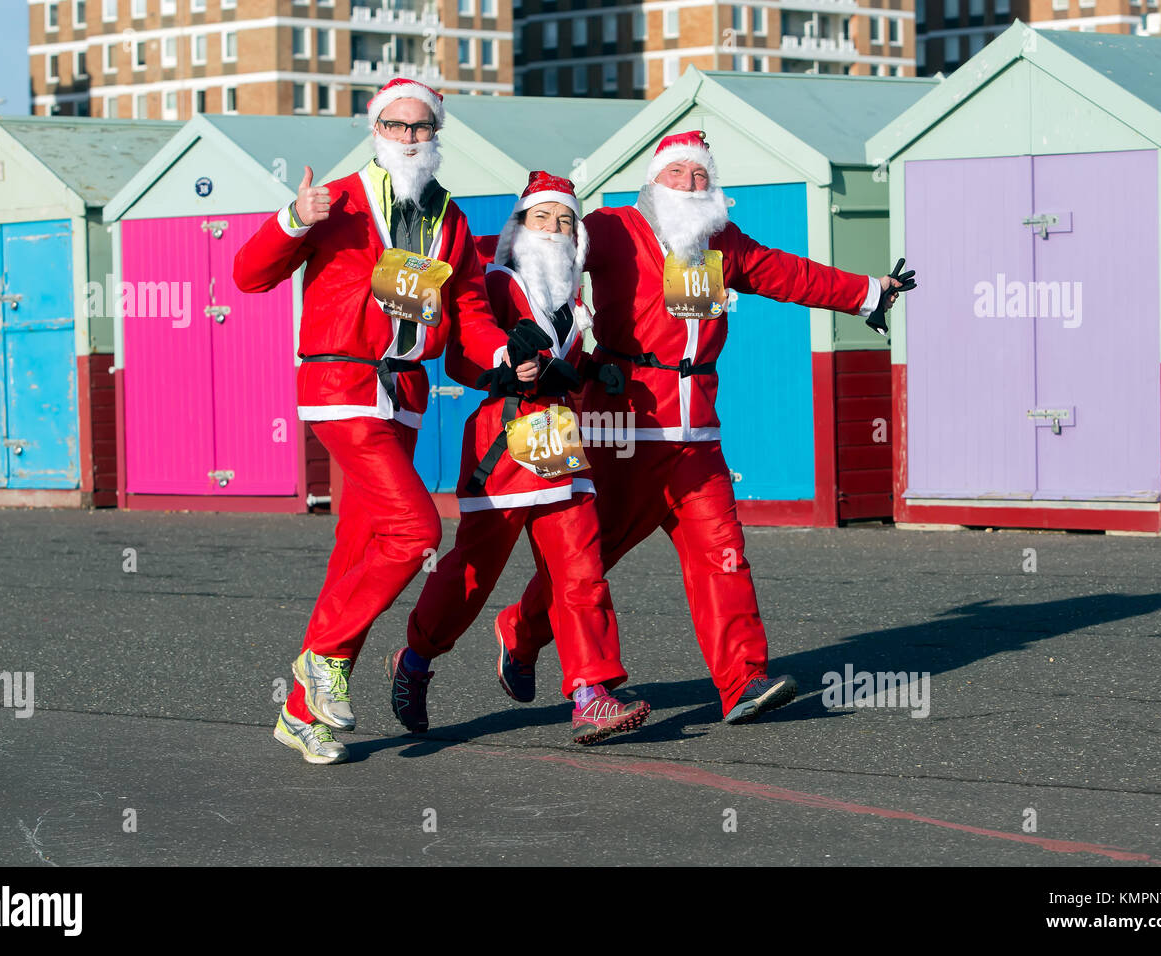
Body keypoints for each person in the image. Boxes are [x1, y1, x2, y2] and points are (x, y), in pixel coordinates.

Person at [496, 131, 913, 725]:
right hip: (623, 426)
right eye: (678, 174)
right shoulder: (613, 228)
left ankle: (743, 681)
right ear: (653, 180)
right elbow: (542, 255)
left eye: (700, 176)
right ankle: (521, 628)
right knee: (590, 557)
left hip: (696, 434)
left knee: (723, 555)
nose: (691, 185)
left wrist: (868, 292)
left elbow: (784, 272)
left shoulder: (721, 242)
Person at [233, 77, 533, 764]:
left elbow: (471, 322)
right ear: (376, 131)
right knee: (415, 529)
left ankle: (303, 710)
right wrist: (292, 219)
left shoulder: (448, 219)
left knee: (359, 556)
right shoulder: (336, 199)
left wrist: (503, 356)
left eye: (421, 127)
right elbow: (248, 276)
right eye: (397, 126)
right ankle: (327, 659)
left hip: (405, 396)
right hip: (343, 385)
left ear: (437, 134)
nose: (410, 137)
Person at [389, 172, 650, 745]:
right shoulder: (497, 282)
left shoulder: (571, 300)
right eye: (543, 219)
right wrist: (507, 366)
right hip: (503, 442)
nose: (555, 230)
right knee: (473, 574)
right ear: (520, 227)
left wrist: (592, 369)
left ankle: (591, 693)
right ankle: (414, 660)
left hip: (559, 438)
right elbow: (461, 348)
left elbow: (565, 359)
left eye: (566, 221)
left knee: (581, 572)